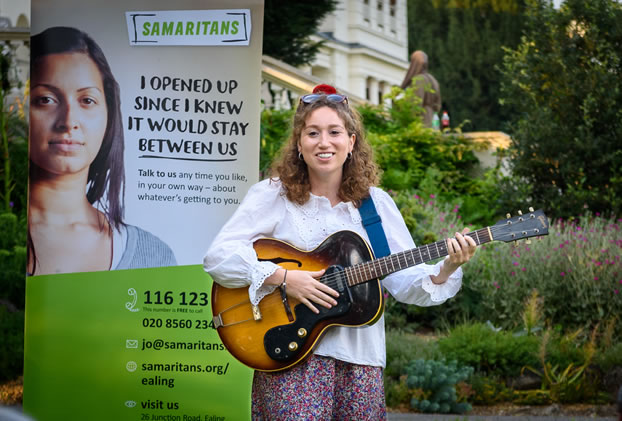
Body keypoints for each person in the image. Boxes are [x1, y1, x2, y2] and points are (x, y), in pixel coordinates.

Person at [203, 83, 477, 420]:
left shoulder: (375, 206)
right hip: (292, 355)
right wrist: (285, 278)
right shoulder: (273, 196)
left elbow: (403, 282)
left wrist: (447, 266)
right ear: (299, 145)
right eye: (312, 133)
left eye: (334, 131)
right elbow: (218, 257)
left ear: (351, 142)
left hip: (360, 362)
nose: (324, 142)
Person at [28, 26, 176, 276]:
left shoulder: (153, 258)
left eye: (87, 100)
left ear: (109, 115)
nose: (68, 120)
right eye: (46, 99)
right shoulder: (3, 237)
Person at [400, 50, 442, 128]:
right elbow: (438, 105)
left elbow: (415, 105)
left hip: (421, 122)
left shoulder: (418, 80)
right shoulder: (433, 80)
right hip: (433, 121)